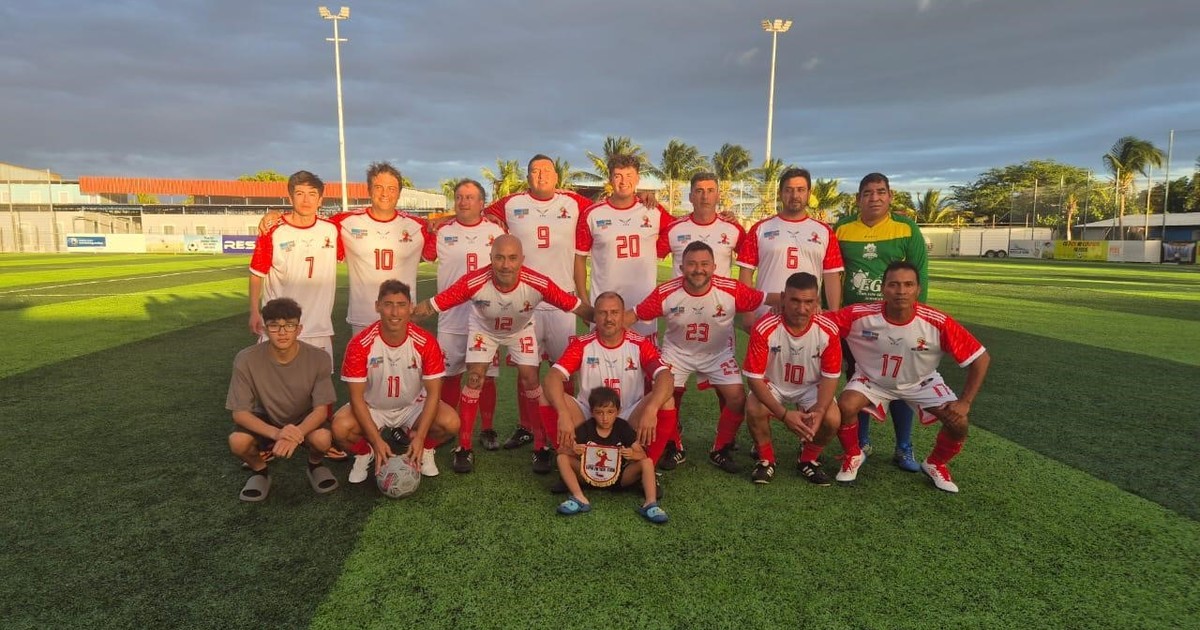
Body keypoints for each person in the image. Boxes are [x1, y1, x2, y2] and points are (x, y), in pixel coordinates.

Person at [413, 234, 593, 474]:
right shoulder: (474, 281)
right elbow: (431, 306)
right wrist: (398, 320)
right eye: (499, 258)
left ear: (522, 259)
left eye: (512, 258)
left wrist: (610, 319)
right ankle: (464, 447)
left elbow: (576, 306)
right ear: (490, 258)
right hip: (484, 330)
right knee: (475, 378)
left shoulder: (538, 282)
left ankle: (540, 446)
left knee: (530, 379)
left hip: (520, 330)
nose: (506, 265)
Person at [829, 261, 991, 493]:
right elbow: (821, 323)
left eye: (908, 285)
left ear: (918, 289)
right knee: (845, 406)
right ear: (883, 289)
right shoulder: (858, 315)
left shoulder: (937, 322)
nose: (901, 291)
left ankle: (935, 464)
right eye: (893, 284)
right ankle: (854, 454)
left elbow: (981, 358)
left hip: (921, 383)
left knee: (959, 423)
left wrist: (965, 401)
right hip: (872, 381)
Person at [630, 241, 774, 474]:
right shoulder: (666, 292)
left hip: (718, 353)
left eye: (705, 264)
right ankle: (674, 446)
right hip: (677, 352)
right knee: (665, 394)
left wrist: (802, 301)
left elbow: (767, 297)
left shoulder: (731, 289)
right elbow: (633, 315)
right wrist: (607, 328)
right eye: (692, 264)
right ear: (681, 267)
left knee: (737, 397)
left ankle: (721, 448)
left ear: (714, 267)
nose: (698, 270)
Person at [482, 154, 593, 452]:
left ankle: (566, 424)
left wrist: (644, 199)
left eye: (546, 170)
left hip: (562, 302)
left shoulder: (575, 202)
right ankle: (527, 427)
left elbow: (611, 208)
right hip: (524, 302)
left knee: (565, 369)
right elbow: (477, 215)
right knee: (526, 371)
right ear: (528, 176)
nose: (541, 175)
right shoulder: (510, 204)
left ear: (556, 176)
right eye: (535, 171)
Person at [259, 162, 429, 336]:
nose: (385, 193)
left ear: (399, 193)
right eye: (378, 187)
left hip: (402, 317)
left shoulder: (420, 226)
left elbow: (443, 234)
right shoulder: (344, 222)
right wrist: (276, 214)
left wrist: (441, 219)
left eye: (391, 189)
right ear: (369, 190)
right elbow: (307, 219)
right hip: (362, 318)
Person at [834, 173, 931, 471]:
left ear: (890, 196)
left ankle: (903, 447)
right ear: (858, 199)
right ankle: (862, 442)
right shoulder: (842, 229)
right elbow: (832, 274)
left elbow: (920, 275)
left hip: (898, 321)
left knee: (901, 381)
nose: (874, 198)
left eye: (880, 192)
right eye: (867, 193)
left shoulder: (906, 228)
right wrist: (834, 316)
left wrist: (916, 317)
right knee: (859, 378)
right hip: (858, 324)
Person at [332, 280, 460, 482]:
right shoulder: (359, 344)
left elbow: (434, 394)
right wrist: (376, 441)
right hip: (373, 407)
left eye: (401, 305)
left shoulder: (426, 342)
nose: (394, 312)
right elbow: (356, 398)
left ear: (410, 307)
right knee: (340, 428)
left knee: (451, 422)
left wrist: (420, 438)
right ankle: (365, 453)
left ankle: (425, 449)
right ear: (377, 306)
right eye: (388, 304)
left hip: (412, 407)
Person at [660, 172, 747, 464]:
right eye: (699, 190)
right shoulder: (674, 229)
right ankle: (672, 440)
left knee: (729, 391)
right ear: (690, 196)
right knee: (669, 390)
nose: (705, 196)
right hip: (681, 319)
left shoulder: (733, 229)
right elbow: (646, 248)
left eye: (710, 190)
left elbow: (750, 259)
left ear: (718, 195)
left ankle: (724, 443)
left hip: (718, 318)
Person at [544, 291, 678, 467]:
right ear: (595, 317)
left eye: (614, 312)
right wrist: (562, 413)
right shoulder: (581, 344)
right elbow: (553, 377)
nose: (609, 318)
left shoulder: (639, 344)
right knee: (545, 396)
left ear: (623, 315)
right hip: (589, 415)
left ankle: (646, 466)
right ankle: (568, 458)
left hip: (628, 415)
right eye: (602, 313)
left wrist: (651, 409)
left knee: (667, 400)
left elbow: (665, 376)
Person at [422, 179, 507, 450]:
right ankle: (446, 425)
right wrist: (437, 222)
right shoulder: (442, 230)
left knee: (486, 375)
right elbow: (427, 254)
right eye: (459, 196)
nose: (463, 201)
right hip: (450, 317)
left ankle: (488, 428)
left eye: (470, 197)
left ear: (482, 203)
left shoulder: (496, 230)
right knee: (449, 375)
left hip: (485, 317)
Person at [226, 298, 338, 502]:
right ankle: (260, 471)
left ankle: (315, 465)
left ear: (299, 329)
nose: (282, 332)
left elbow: (321, 410)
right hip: (266, 416)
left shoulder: (319, 358)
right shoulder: (246, 358)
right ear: (265, 330)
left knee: (322, 439)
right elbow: (240, 413)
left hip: (303, 416)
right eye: (274, 326)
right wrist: (277, 433)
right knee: (238, 442)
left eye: (289, 325)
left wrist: (296, 434)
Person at [741, 273, 848, 485]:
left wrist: (819, 411)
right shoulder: (764, 327)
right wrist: (784, 415)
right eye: (795, 300)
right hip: (774, 384)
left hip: (810, 386)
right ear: (783, 298)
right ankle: (766, 459)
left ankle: (807, 459)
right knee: (754, 407)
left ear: (817, 301)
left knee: (832, 419)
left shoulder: (828, 329)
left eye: (808, 302)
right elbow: (754, 379)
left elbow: (830, 377)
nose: (801, 308)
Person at [575, 154, 673, 340]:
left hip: (643, 307)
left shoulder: (653, 210)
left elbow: (680, 228)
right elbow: (579, 259)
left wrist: (658, 251)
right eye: (618, 175)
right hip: (605, 306)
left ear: (637, 178)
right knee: (603, 355)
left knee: (644, 357)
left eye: (629, 175)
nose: (623, 181)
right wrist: (584, 302)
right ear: (610, 179)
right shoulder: (592, 214)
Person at [248, 170, 342, 359]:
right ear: (290, 198)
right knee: (274, 376)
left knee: (317, 378)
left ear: (320, 200)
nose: (306, 200)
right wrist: (254, 311)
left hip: (319, 328)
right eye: (300, 194)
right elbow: (257, 274)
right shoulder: (273, 230)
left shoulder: (333, 229)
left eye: (312, 194)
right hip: (279, 327)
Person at [737, 167, 843, 322]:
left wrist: (834, 315)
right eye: (789, 190)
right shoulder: (760, 228)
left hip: (807, 316)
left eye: (800, 190)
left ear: (809, 193)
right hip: (767, 316)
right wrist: (748, 313)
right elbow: (746, 272)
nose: (795, 196)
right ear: (780, 193)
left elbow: (831, 275)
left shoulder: (825, 231)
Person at [554, 386, 667, 524]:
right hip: (588, 474)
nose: (605, 418)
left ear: (618, 411)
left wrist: (632, 454)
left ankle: (650, 503)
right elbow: (560, 451)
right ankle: (579, 497)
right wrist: (574, 451)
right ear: (592, 412)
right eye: (599, 413)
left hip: (619, 477)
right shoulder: (587, 427)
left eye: (610, 412)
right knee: (562, 458)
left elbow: (642, 455)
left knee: (647, 462)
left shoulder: (622, 427)